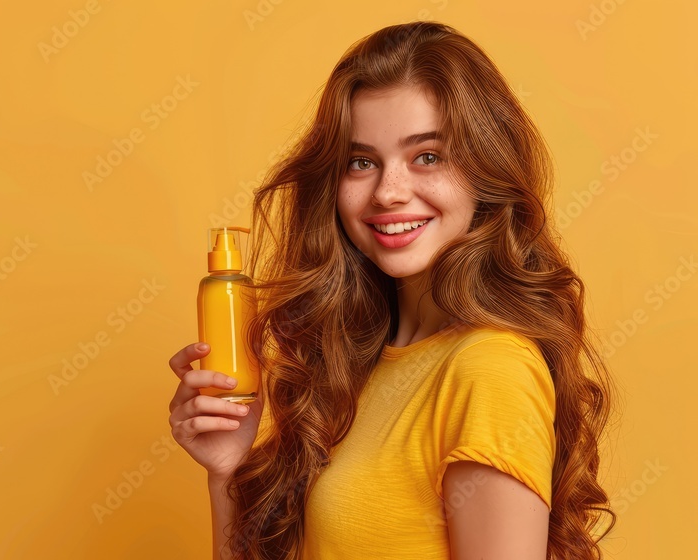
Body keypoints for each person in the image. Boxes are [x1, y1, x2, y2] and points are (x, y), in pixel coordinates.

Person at [167, 21, 617, 560]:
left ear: (485, 170)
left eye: (427, 156)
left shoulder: (488, 369)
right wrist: (228, 471)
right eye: (361, 162)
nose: (388, 192)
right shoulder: (355, 367)